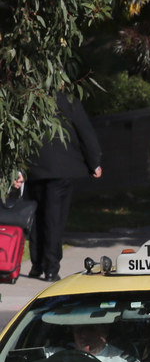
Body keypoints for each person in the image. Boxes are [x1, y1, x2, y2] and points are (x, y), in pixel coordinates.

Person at [12, 91, 102, 283]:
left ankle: (37, 264)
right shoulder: (68, 100)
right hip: (61, 170)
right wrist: (94, 162)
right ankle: (51, 268)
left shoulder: (28, 97)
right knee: (54, 219)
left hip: (33, 167)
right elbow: (84, 132)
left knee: (34, 216)